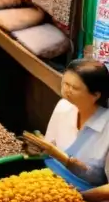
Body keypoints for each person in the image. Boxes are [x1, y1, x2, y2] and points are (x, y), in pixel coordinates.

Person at [24, 59, 109, 187]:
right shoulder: (63, 106)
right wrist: (37, 149)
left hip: (85, 191)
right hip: (48, 179)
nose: (67, 91)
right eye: (65, 84)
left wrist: (59, 155)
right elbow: (49, 148)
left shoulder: (106, 126)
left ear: (96, 95)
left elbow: (99, 180)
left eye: (74, 87)